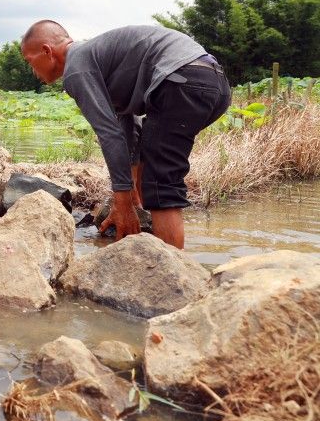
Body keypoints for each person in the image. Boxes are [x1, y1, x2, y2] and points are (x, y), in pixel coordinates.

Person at [20, 21, 231, 250]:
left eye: (30, 61)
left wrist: (123, 204)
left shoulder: (76, 69)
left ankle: (172, 275)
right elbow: (126, 124)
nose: (33, 71)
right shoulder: (97, 57)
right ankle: (149, 227)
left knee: (161, 183)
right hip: (213, 83)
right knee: (154, 161)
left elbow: (109, 135)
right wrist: (129, 198)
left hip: (181, 79)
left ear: (47, 51)